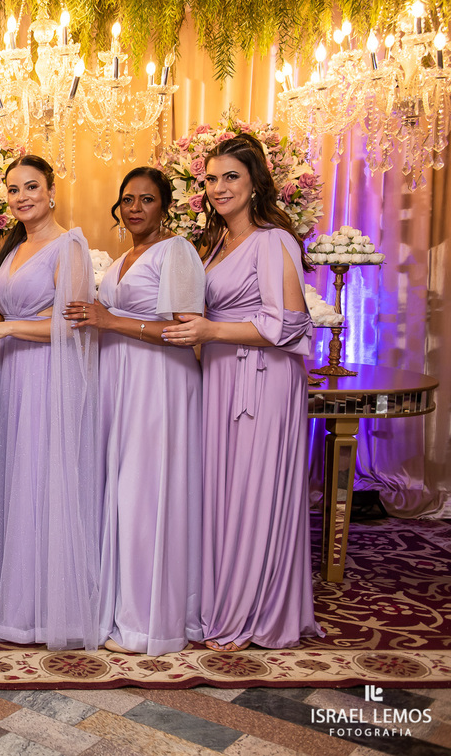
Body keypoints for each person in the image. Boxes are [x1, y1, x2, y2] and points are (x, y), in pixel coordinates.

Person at [162, 132, 320, 651]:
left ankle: (252, 611)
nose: (219, 187)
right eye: (211, 179)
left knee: (253, 492)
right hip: (221, 377)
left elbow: (289, 322)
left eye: (231, 176)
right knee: (223, 493)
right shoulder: (216, 245)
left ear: (255, 184)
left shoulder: (273, 240)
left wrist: (210, 331)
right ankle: (224, 602)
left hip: (262, 379)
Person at [0, 155, 100, 649]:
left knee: (44, 479)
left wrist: (8, 326)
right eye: (13, 189)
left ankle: (45, 610)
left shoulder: (69, 245)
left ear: (52, 191)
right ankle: (10, 601)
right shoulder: (12, 246)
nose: (22, 197)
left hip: (49, 374)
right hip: (9, 369)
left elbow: (76, 322)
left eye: (31, 187)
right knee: (14, 479)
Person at [64, 166, 205, 655]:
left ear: (164, 206)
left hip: (160, 383)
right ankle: (122, 606)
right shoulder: (123, 257)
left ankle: (152, 620)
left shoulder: (177, 252)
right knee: (120, 492)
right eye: (127, 199)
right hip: (119, 383)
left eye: (146, 199)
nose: (135, 208)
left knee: (148, 494)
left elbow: (185, 331)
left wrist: (109, 319)